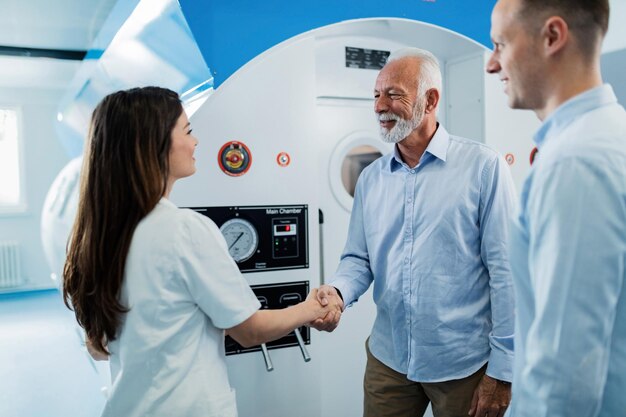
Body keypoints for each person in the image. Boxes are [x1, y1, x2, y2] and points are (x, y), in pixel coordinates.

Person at [62, 87, 331, 417]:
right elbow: (250, 331)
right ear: (153, 144)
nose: (196, 142)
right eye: (187, 131)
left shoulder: (98, 235)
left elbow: (98, 347)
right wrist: (309, 307)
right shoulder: (183, 229)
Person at [313, 48, 517, 417]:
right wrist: (339, 292)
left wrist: (503, 371)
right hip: (389, 359)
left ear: (430, 100)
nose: (379, 106)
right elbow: (359, 258)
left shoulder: (484, 169)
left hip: (464, 365)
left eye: (393, 94)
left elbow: (507, 274)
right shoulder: (372, 179)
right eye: (376, 95)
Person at [486, 0, 626, 416]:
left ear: (552, 36)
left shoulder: (576, 163)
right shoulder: (609, 135)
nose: (492, 65)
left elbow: (565, 374)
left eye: (500, 44)